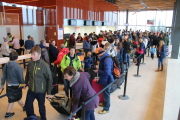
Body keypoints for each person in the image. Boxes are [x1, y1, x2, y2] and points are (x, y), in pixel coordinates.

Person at [24, 46, 53, 120]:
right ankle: (31, 117)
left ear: (39, 55)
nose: (32, 56)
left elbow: (50, 79)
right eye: (31, 54)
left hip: (41, 91)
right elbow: (28, 74)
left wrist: (49, 92)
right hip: (31, 90)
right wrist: (25, 82)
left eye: (34, 55)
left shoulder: (45, 66)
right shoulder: (30, 63)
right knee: (28, 105)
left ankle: (43, 119)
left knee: (41, 108)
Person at [0, 51, 26, 118]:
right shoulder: (18, 66)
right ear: (17, 58)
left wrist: (2, 84)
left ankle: (24, 107)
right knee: (12, 99)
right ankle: (7, 113)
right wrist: (23, 84)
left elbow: (3, 76)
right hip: (16, 86)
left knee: (15, 97)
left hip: (8, 85)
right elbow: (21, 77)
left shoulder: (6, 65)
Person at [95, 47, 114, 114]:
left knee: (106, 94)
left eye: (97, 55)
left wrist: (98, 71)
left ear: (101, 53)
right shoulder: (104, 58)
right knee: (105, 93)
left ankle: (106, 108)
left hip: (107, 79)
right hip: (105, 79)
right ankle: (105, 103)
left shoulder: (107, 60)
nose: (97, 56)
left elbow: (107, 72)